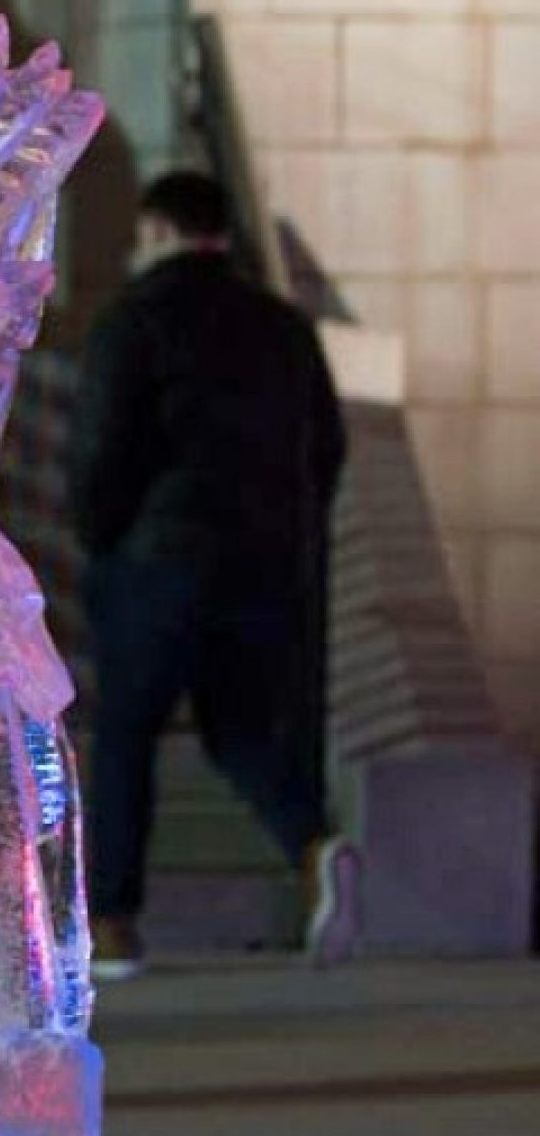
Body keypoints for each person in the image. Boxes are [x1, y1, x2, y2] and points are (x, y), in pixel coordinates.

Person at [67, 166, 359, 980]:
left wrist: (99, 537)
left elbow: (103, 447)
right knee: (239, 733)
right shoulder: (283, 326)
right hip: (263, 569)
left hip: (155, 564)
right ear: (222, 236)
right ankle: (313, 843)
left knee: (126, 735)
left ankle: (116, 923)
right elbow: (326, 447)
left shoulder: (133, 320)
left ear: (158, 233)